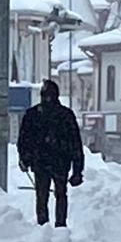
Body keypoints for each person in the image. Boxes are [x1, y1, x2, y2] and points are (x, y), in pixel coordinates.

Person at [16, 79, 85, 227]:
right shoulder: (65, 115)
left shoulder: (33, 115)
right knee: (58, 194)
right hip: (58, 162)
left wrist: (25, 159)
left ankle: (44, 225)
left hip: (42, 162)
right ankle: (59, 225)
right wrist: (77, 170)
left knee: (42, 195)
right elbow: (75, 145)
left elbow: (24, 140)